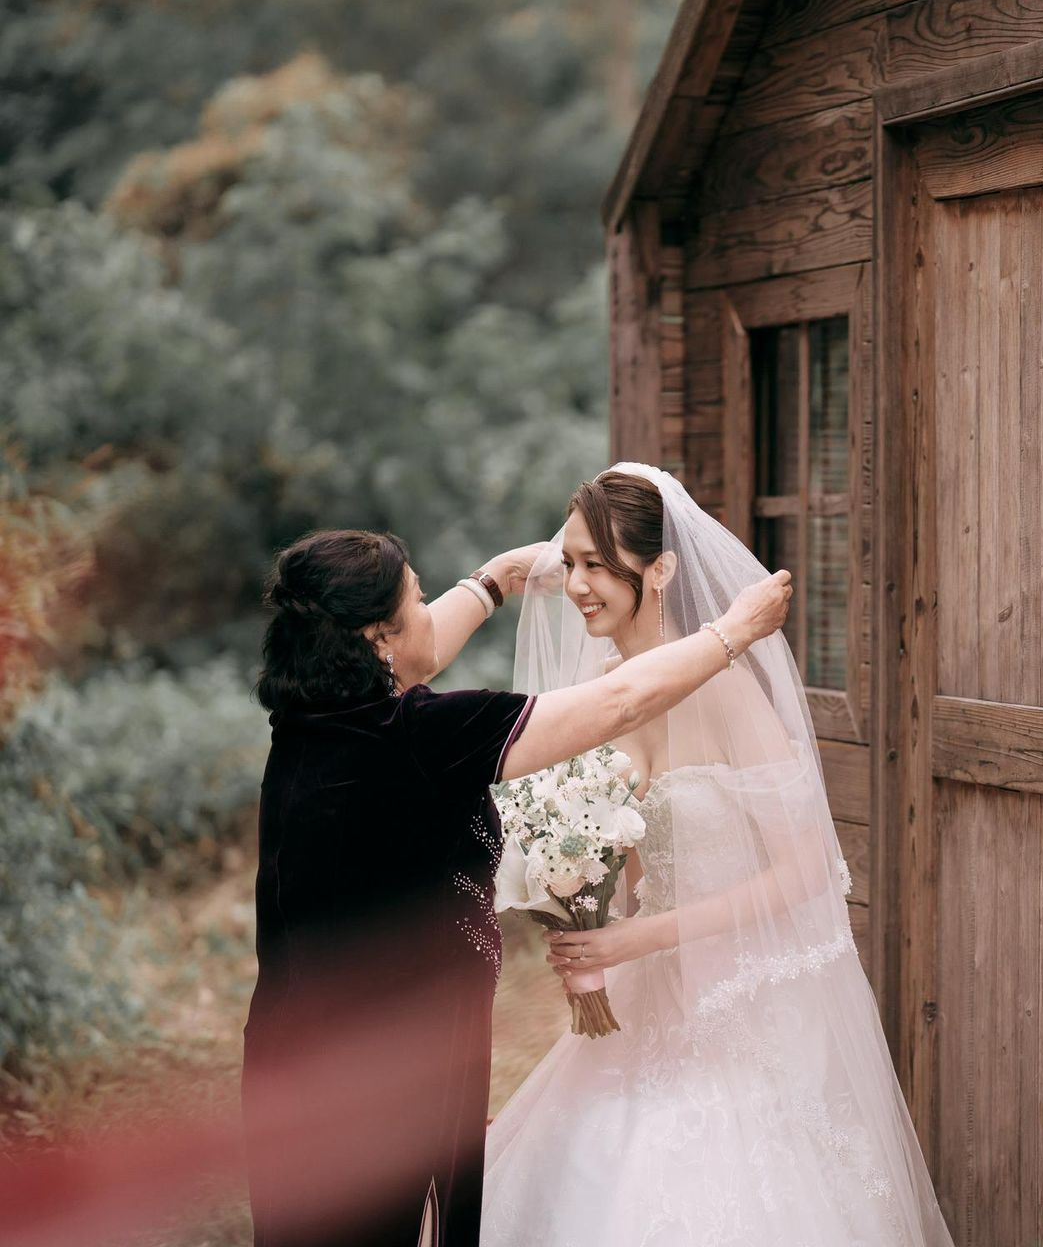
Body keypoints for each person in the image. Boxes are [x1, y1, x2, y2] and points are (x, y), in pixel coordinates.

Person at [242, 527, 791, 1247]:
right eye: (418, 603)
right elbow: (621, 702)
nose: (431, 616)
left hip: (295, 1050)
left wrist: (499, 576)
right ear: (378, 638)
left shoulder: (312, 723)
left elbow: (423, 649)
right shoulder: (417, 737)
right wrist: (733, 631)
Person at [481, 464, 954, 1246]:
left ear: (660, 568)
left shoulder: (725, 691)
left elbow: (808, 871)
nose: (579, 585)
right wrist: (574, 900)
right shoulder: (600, 692)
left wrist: (634, 937)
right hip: (643, 1001)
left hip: (738, 1005)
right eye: (569, 564)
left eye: (598, 564)